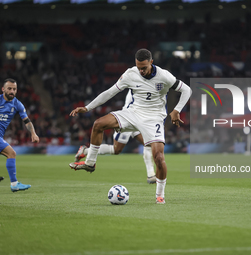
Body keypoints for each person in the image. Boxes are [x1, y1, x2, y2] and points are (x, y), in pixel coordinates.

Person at [69, 48, 192, 204]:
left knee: (159, 158)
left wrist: (176, 110)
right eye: (138, 67)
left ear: (151, 63)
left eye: (144, 68)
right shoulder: (130, 74)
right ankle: (90, 163)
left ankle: (159, 195)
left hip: (153, 118)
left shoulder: (164, 76)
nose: (141, 71)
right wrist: (87, 107)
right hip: (133, 112)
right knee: (98, 124)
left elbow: (187, 90)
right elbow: (109, 92)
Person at [74, 90, 157, 184]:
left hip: (140, 120)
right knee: (116, 150)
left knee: (148, 143)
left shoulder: (149, 85)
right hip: (128, 119)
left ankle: (151, 175)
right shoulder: (137, 85)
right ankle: (86, 151)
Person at [0, 78, 40, 192]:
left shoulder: (18, 104)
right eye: (9, 89)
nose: (12, 91)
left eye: (14, 89)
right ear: (3, 89)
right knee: (11, 153)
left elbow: (27, 121)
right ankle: (14, 184)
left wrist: (33, 133)